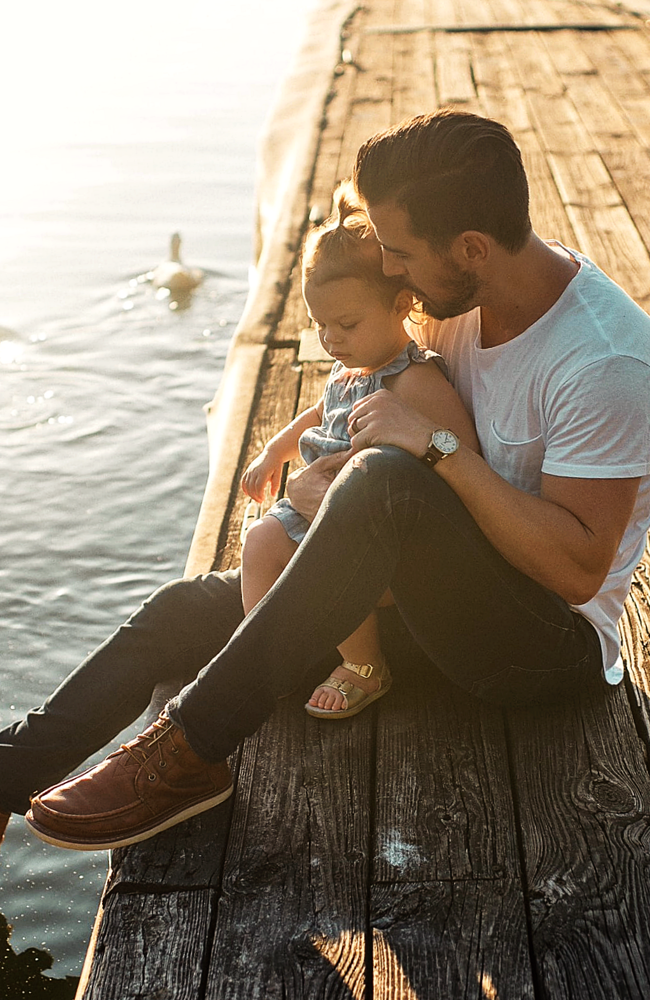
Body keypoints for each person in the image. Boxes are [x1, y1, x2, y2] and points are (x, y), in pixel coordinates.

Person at [2, 109, 650, 854]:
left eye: (400, 254)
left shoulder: (604, 361)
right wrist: (318, 483)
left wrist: (435, 449)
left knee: (382, 484)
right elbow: (370, 382)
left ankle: (185, 751)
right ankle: (7, 770)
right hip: (425, 589)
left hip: (538, 645)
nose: (390, 272)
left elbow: (575, 572)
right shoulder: (458, 298)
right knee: (185, 608)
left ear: (470, 247)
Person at [239, 181, 478, 718]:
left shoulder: (414, 381)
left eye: (346, 324)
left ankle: (366, 667)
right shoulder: (354, 368)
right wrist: (275, 451)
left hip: (376, 530)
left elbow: (460, 454)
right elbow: (319, 414)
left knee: (329, 565)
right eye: (320, 325)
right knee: (258, 541)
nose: (330, 340)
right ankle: (266, 654)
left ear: (400, 306)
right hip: (318, 502)